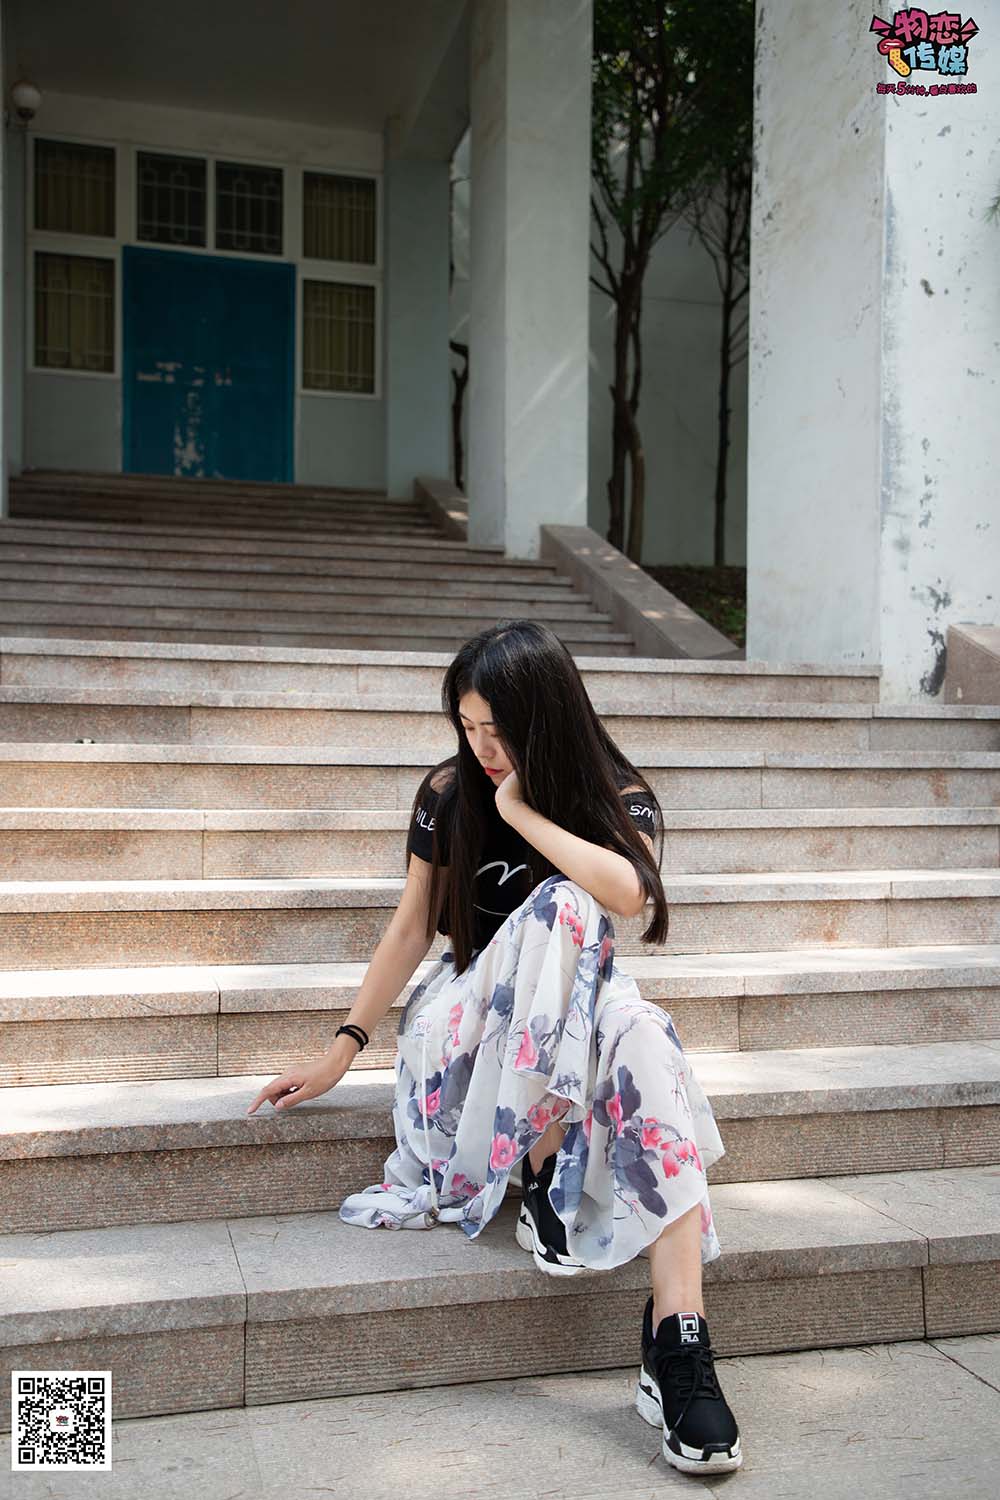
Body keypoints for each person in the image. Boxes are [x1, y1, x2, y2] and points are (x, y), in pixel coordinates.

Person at [246, 619, 742, 1476]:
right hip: (465, 1036)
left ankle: (678, 1340)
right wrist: (343, 1047)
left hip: (577, 1026)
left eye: (498, 729)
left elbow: (631, 891)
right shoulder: (448, 793)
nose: (481, 748)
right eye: (468, 727)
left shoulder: (618, 795)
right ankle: (544, 1171)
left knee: (645, 1028)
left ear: (547, 718)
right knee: (564, 906)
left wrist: (522, 811)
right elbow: (412, 927)